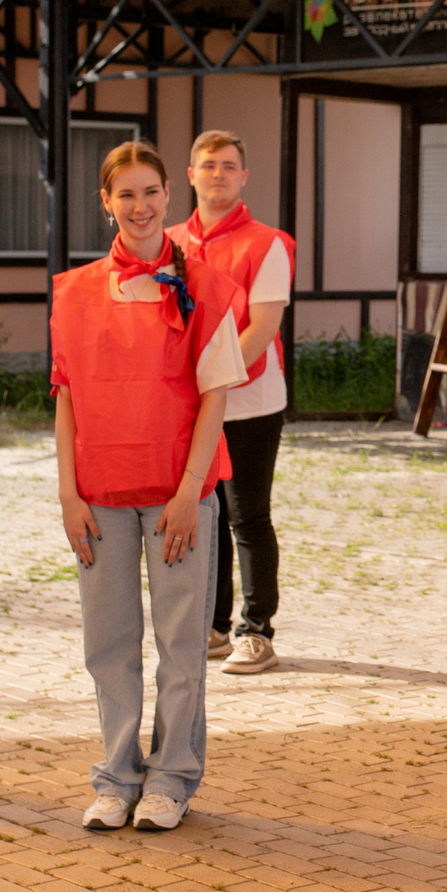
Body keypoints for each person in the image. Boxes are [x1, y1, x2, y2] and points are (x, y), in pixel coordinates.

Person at [53, 141, 247, 835]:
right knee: (107, 644)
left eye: (150, 192)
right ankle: (116, 777)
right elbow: (66, 396)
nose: (140, 206)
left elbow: (216, 394)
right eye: (125, 194)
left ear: (170, 194)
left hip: (177, 496)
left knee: (181, 646)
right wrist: (67, 493)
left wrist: (192, 490)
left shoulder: (207, 286)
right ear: (106, 202)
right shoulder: (74, 292)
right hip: (99, 495)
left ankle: (171, 779)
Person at [172, 130, 294, 677]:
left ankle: (257, 631)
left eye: (228, 166)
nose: (217, 174)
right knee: (207, 515)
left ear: (243, 177)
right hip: (190, 402)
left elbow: (262, 327)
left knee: (248, 515)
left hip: (250, 401)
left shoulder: (267, 244)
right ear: (190, 175)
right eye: (208, 165)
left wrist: (212, 380)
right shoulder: (170, 243)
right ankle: (215, 628)